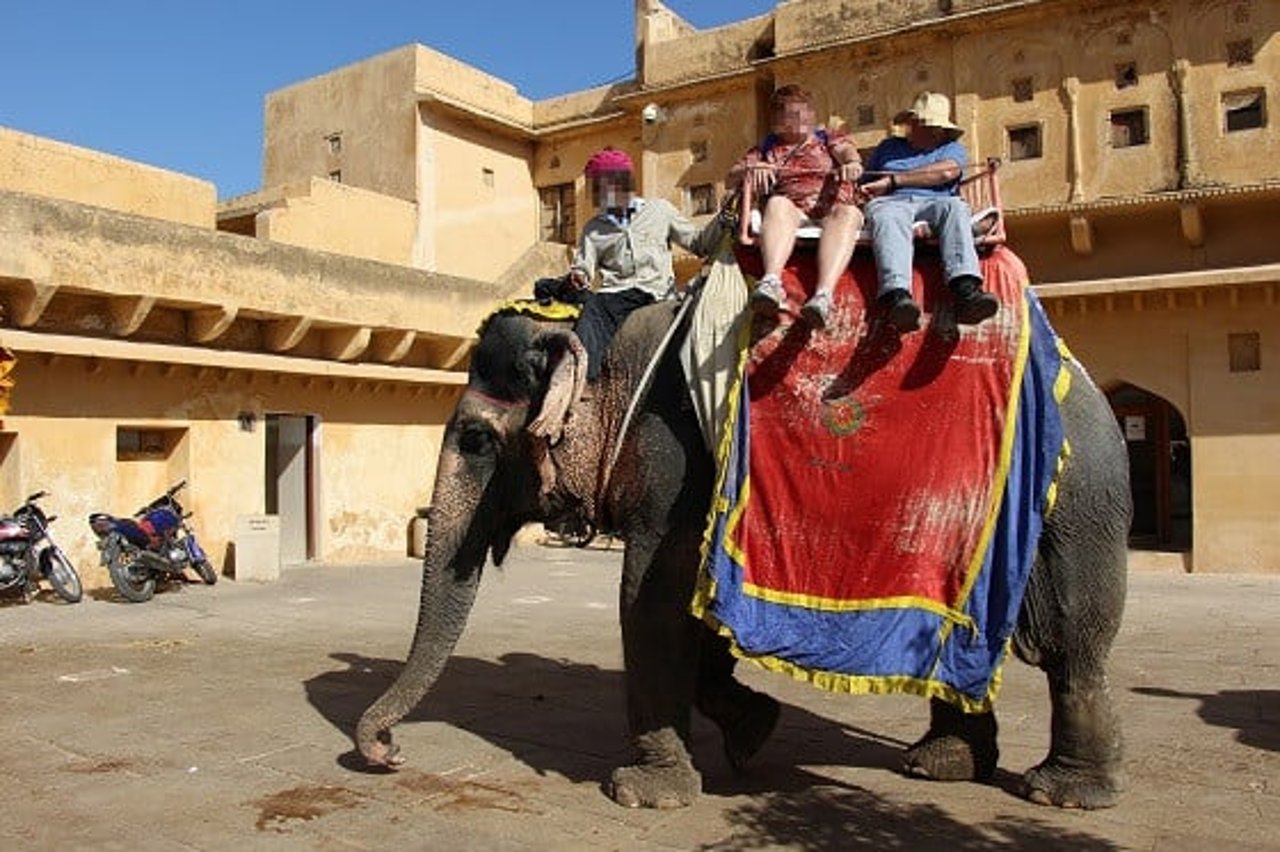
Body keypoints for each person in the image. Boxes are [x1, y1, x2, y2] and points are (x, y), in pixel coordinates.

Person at [569, 147, 721, 383]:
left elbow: (699, 244)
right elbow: (583, 267)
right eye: (599, 185)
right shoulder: (593, 229)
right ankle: (583, 380)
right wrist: (579, 276)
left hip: (659, 291)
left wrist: (725, 218)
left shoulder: (660, 210)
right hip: (616, 295)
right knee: (592, 310)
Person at [860, 91, 1000, 333]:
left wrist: (893, 181)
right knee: (886, 215)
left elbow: (947, 173)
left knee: (956, 207)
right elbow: (866, 181)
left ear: (939, 130)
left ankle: (966, 290)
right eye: (915, 122)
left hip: (936, 202)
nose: (914, 127)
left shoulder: (952, 149)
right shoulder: (888, 147)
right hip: (892, 203)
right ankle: (897, 296)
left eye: (923, 123)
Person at [727, 85, 865, 329]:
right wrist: (755, 167)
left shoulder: (827, 138)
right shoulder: (767, 148)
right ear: (778, 121)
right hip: (794, 210)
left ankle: (823, 295)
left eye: (805, 113)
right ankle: (771, 281)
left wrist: (852, 162)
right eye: (792, 115)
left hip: (832, 208)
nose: (801, 120)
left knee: (849, 213)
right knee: (778, 203)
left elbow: (846, 151)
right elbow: (731, 176)